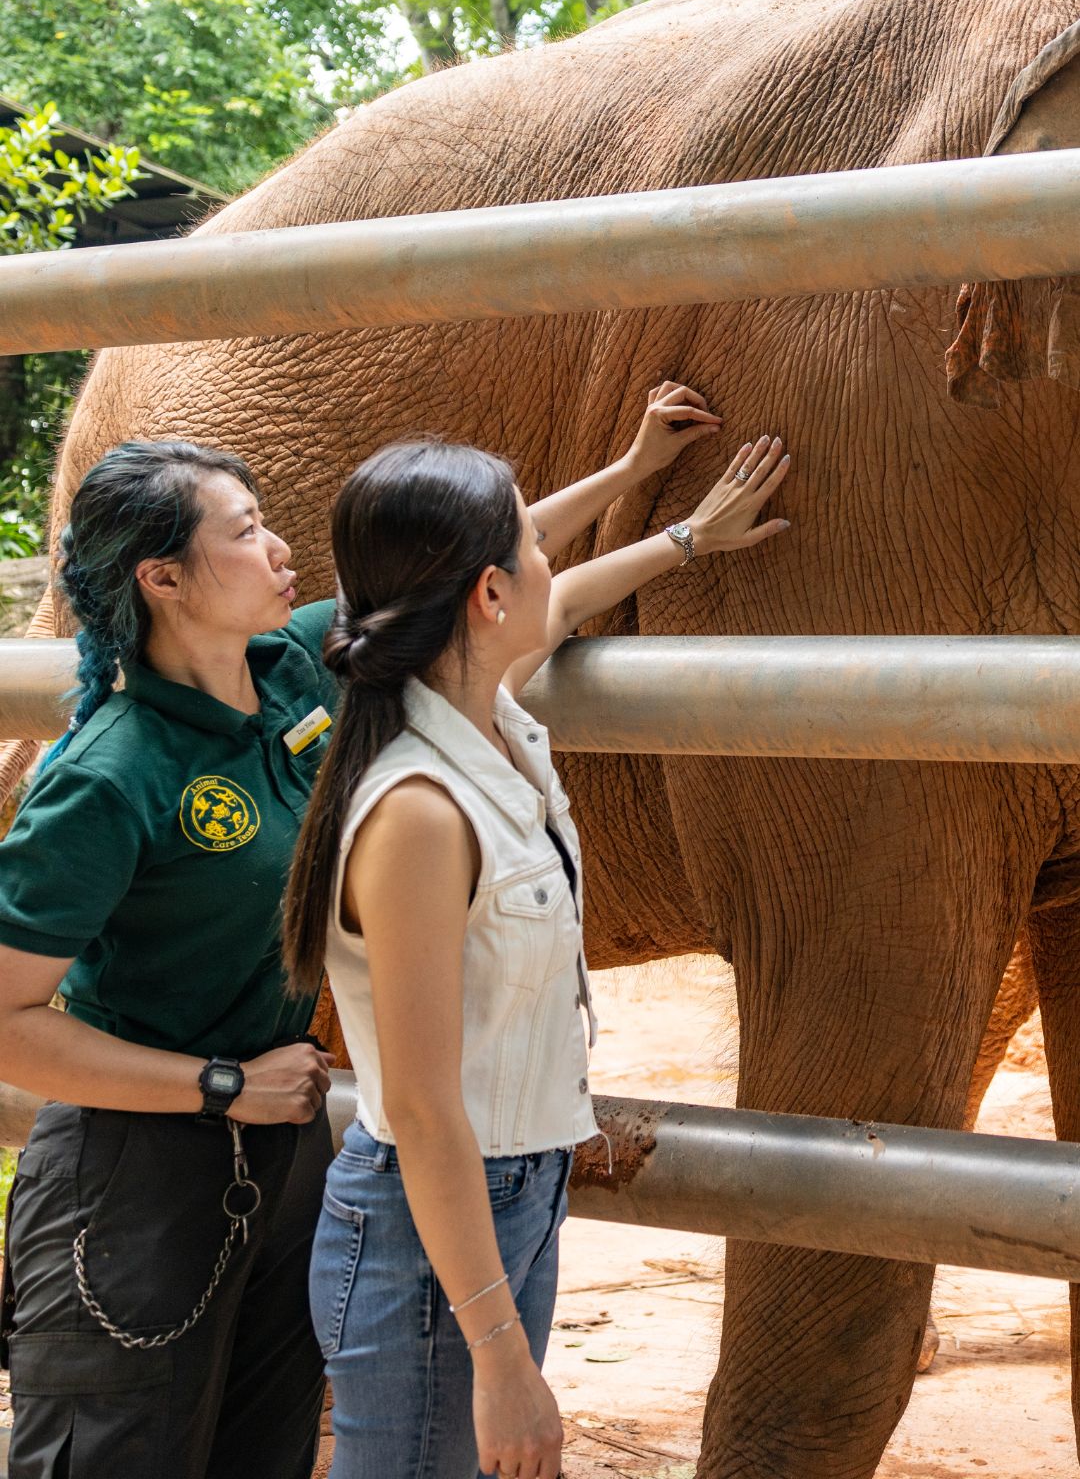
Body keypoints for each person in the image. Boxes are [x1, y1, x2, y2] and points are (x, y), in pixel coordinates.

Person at [281, 389, 791, 1479]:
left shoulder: (482, 712)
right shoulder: (420, 813)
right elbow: (425, 1110)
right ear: (486, 594)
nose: (552, 557)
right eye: (534, 541)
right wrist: (502, 1360)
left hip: (504, 1198)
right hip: (432, 1232)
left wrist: (681, 528)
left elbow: (559, 604)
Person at [0, 440, 336, 1479]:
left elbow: (457, 560)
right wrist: (222, 1086)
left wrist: (664, 513)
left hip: (281, 1158)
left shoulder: (290, 668)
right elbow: (5, 1021)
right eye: (245, 530)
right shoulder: (109, 775)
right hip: (134, 1180)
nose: (279, 548)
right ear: (164, 578)